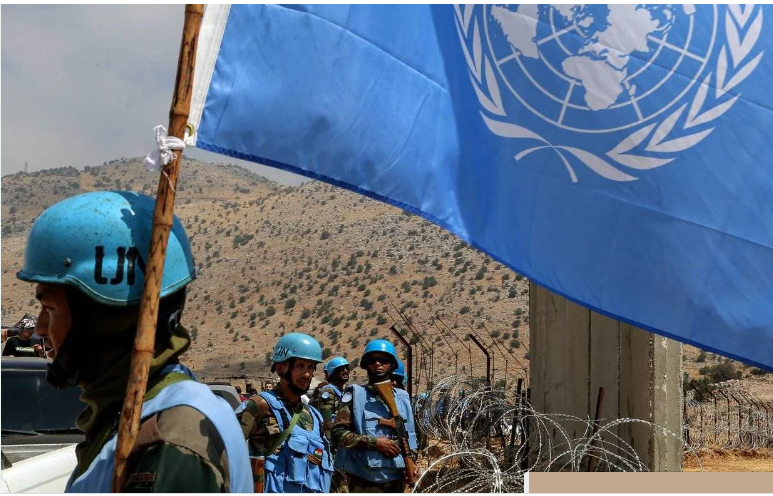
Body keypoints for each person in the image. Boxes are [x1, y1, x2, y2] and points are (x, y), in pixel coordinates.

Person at [15, 191, 251, 492]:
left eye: (49, 309)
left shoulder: (168, 440)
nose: (40, 328)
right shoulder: (145, 412)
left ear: (104, 317)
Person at [238, 333, 333, 492]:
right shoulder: (260, 406)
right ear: (281, 368)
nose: (307, 374)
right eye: (300, 366)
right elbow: (226, 452)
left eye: (310, 367)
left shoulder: (314, 416)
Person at [332, 339, 419, 492]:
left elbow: (410, 436)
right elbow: (338, 434)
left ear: (391, 364)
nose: (377, 364)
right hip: (364, 480)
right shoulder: (355, 394)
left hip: (397, 477)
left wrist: (411, 462)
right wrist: (374, 442)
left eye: (383, 360)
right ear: (366, 365)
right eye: (372, 360)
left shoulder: (403, 397)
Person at [311, 356, 350, 492]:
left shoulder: (340, 391)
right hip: (334, 445)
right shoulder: (329, 391)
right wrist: (331, 446)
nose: (345, 371)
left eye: (347, 368)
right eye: (341, 369)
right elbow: (327, 421)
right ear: (333, 372)